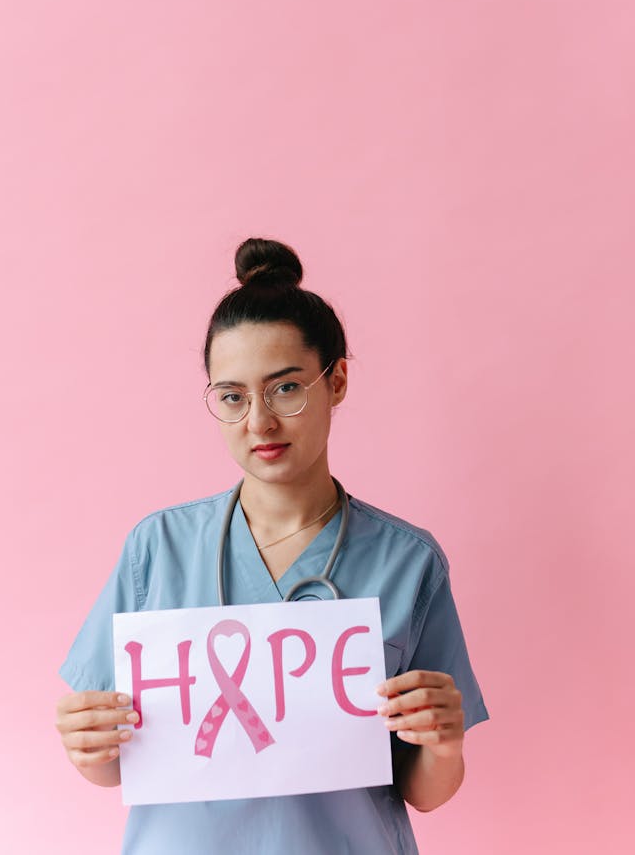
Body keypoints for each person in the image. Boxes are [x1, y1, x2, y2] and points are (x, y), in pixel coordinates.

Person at [56, 238, 488, 854]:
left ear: (336, 379)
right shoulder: (158, 549)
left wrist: (445, 740)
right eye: (232, 396)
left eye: (286, 389)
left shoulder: (408, 562)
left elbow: (424, 790)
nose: (258, 421)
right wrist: (85, 745)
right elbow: (113, 765)